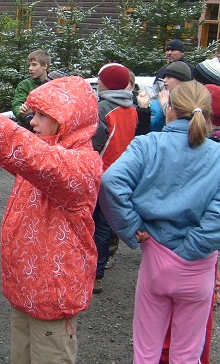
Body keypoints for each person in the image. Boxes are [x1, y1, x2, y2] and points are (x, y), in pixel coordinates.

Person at [0, 71, 103, 363]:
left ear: (67, 119)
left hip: (52, 298)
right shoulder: (48, 156)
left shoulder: (79, 165)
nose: (33, 122)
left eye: (42, 115)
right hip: (26, 290)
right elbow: (5, 149)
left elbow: (24, 150)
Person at [99, 81, 220, 364]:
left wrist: (131, 227)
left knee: (147, 348)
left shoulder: (147, 144)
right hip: (198, 267)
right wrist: (191, 250)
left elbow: (111, 181)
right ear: (208, 115)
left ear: (170, 110)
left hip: (156, 255)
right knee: (188, 352)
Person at [159, 84, 220, 364]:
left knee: (189, 327)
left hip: (196, 249)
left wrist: (188, 249)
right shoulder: (213, 146)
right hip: (191, 248)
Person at [90, 63, 137, 293]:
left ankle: (92, 273)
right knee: (106, 225)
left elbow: (93, 144)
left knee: (95, 224)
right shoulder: (132, 108)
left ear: (106, 83)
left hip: (101, 172)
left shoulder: (102, 109)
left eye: (99, 81)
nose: (97, 84)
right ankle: (99, 274)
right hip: (122, 173)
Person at [11, 49, 50, 128]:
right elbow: (17, 104)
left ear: (45, 66)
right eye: (29, 65)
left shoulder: (55, 83)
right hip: (28, 127)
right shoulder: (24, 85)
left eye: (34, 65)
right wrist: (22, 113)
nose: (30, 68)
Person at [150, 61, 191, 132]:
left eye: (169, 77)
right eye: (164, 77)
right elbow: (153, 129)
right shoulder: (157, 103)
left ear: (182, 80)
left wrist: (165, 107)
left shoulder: (192, 102)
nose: (164, 80)